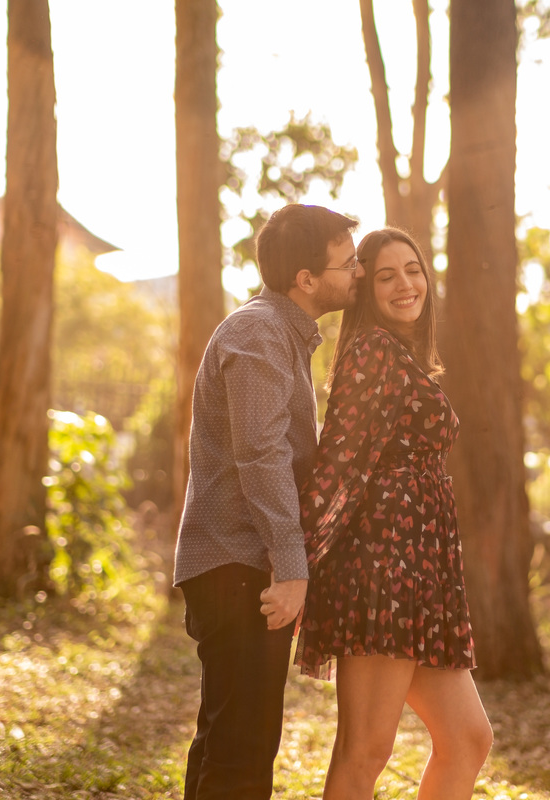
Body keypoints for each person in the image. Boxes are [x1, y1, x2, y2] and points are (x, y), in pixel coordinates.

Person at [173, 204, 362, 800]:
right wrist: (291, 567)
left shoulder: (282, 334)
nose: (357, 272)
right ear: (306, 279)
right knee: (242, 753)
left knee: (226, 741)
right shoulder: (258, 333)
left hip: (241, 564)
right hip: (239, 567)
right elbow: (261, 455)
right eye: (348, 262)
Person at [296, 228, 494, 799]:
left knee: (466, 739)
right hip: (380, 570)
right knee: (366, 750)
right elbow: (336, 465)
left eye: (413, 269)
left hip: (421, 576)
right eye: (386, 275)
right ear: (363, 289)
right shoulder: (372, 353)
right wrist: (294, 563)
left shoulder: (400, 355)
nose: (406, 284)